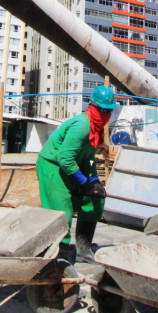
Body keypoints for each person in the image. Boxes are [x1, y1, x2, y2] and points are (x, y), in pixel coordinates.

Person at [36, 85, 117, 263]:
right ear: (93, 107)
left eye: (109, 111)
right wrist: (83, 182)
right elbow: (65, 158)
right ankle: (60, 255)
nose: (106, 115)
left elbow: (88, 158)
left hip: (71, 167)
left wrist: (94, 181)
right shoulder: (82, 125)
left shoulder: (96, 130)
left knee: (94, 200)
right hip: (53, 165)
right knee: (61, 209)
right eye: (103, 110)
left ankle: (84, 250)